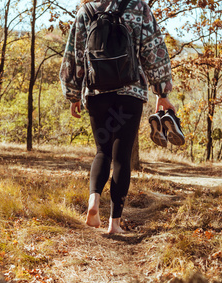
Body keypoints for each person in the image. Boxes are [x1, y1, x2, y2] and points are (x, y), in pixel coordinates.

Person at [60, 0, 184, 234]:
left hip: (96, 92)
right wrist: (162, 92)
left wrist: (73, 94)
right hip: (130, 92)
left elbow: (73, 54)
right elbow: (154, 50)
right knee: (122, 157)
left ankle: (94, 201)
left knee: (102, 151)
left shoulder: (86, 11)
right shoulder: (138, 7)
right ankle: (114, 224)